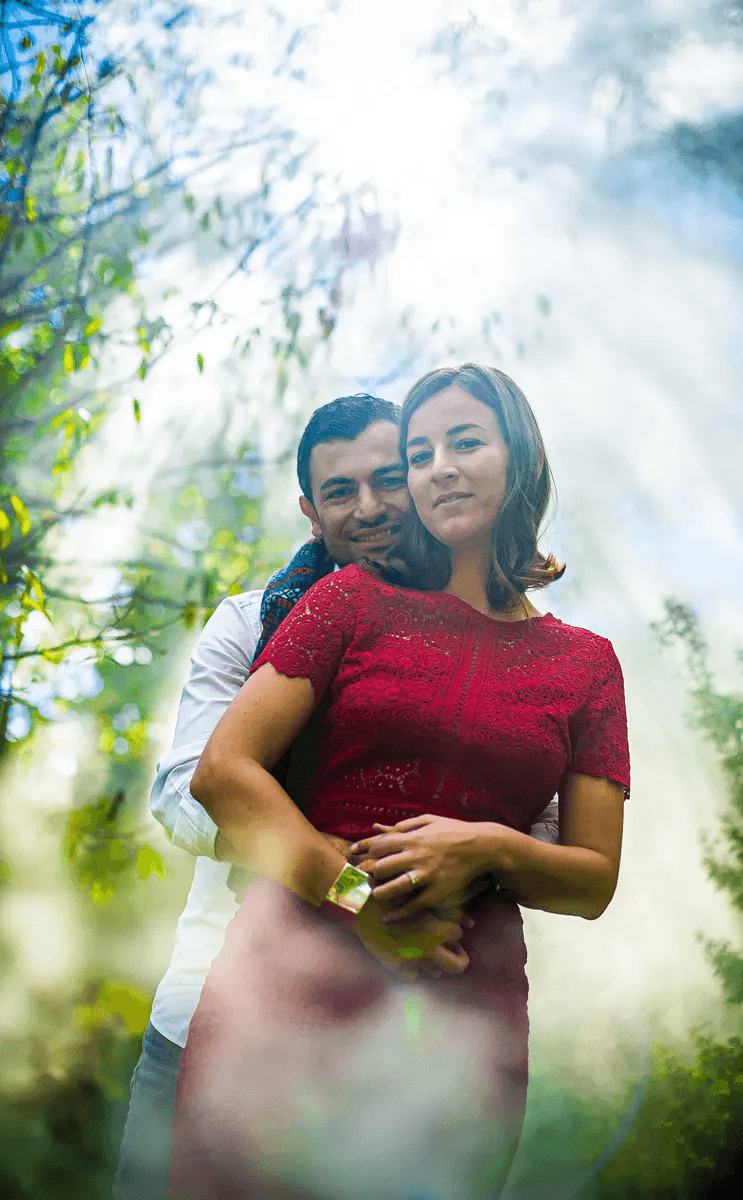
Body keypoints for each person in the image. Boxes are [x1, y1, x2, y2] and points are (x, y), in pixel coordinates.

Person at [166, 364, 629, 1200]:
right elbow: (219, 775)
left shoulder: (587, 665)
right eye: (422, 452)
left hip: (467, 1002)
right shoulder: (346, 602)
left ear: (520, 457)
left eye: (464, 443)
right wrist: (359, 899)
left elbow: (594, 879)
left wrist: (487, 847)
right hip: (288, 978)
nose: (439, 467)